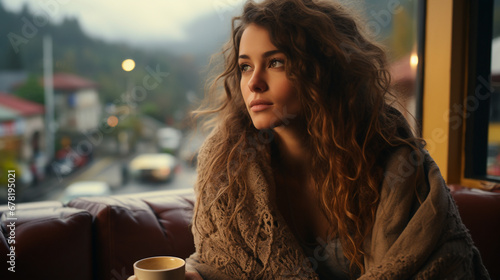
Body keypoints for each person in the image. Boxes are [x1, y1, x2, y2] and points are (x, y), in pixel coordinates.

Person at [185, 0, 490, 279]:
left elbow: (444, 265)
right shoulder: (226, 171)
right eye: (245, 66)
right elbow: (218, 265)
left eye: (276, 62)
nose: (254, 83)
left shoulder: (399, 167)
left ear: (323, 71)